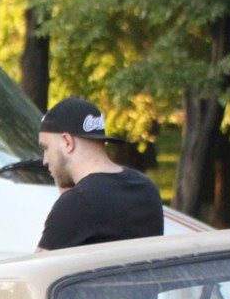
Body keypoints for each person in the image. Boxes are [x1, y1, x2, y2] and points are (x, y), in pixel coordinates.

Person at [35, 96, 163, 249]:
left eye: (46, 148)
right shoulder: (146, 188)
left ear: (67, 142)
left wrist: (66, 200)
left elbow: (40, 268)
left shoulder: (77, 204)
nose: (45, 160)